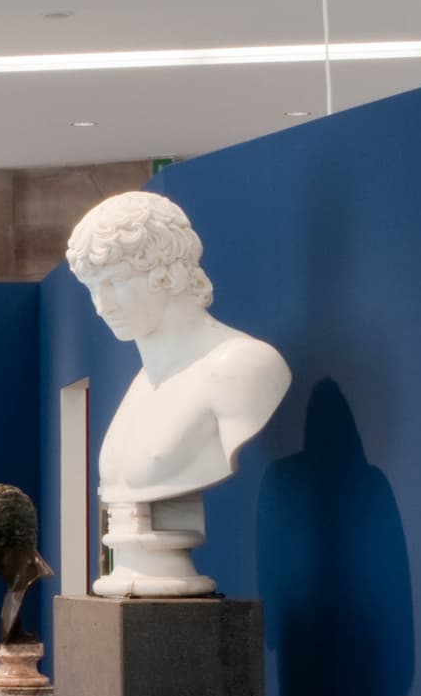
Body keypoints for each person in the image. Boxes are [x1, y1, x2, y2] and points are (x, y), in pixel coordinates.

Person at [65, 192, 290, 596]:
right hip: (129, 578)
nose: (101, 306)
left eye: (115, 282)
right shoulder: (141, 387)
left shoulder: (239, 366)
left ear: (166, 273)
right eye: (92, 289)